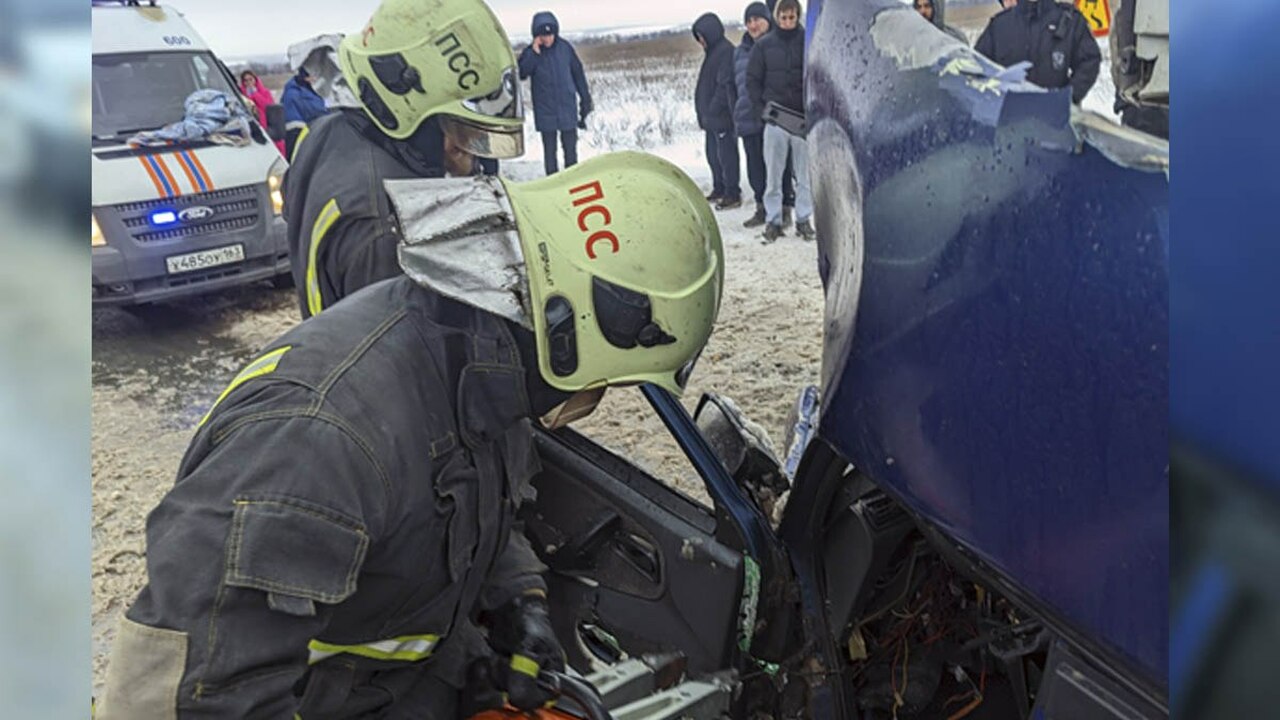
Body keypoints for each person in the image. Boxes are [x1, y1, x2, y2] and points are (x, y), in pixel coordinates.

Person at [94, 149, 724, 719]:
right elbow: (169, 701)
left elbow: (466, 506)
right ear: (568, 334)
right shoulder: (319, 440)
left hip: (398, 685)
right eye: (606, 383)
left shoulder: (476, 364)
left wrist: (518, 600)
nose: (596, 401)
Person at [281, 0, 526, 321]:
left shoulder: (328, 130)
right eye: (460, 130)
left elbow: (291, 202)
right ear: (405, 107)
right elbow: (405, 358)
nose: (467, 149)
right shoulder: (386, 228)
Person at [747, 0, 814, 241]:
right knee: (773, 177)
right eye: (783, 17)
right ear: (777, 17)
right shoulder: (763, 46)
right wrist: (761, 111)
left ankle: (804, 220)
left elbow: (817, 75)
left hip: (801, 121)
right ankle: (773, 221)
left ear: (797, 16)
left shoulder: (809, 42)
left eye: (792, 17)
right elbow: (752, 81)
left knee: (805, 177)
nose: (787, 22)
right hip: (775, 121)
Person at [734, 2, 795, 227]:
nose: (753, 25)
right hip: (747, 117)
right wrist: (736, 112)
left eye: (757, 19)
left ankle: (785, 209)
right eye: (749, 21)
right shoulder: (739, 52)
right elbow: (735, 85)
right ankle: (761, 208)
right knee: (756, 169)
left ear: (768, 20)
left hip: (774, 117)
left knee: (779, 166)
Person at [975, 0, 1101, 105]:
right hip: (1008, 122)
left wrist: (1067, 97)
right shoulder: (1000, 25)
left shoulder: (1069, 21)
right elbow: (977, 67)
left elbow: (1089, 60)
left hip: (1054, 123)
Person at [518, 12, 592, 176]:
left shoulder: (565, 48)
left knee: (570, 151)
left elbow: (578, 74)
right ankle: (553, 183)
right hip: (546, 110)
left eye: (550, 34)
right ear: (537, 36)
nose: (547, 39)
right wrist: (534, 53)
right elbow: (522, 73)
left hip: (567, 107)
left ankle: (572, 181)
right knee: (550, 152)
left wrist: (585, 98)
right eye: (543, 35)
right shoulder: (531, 53)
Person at [693, 13, 742, 209]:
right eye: (698, 37)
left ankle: (732, 192)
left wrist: (712, 109)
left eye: (702, 36)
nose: (700, 41)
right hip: (711, 119)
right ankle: (719, 187)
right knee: (713, 155)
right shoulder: (712, 53)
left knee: (726, 156)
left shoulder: (726, 52)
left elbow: (724, 86)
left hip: (722, 117)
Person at [280, 66, 329, 160]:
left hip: (313, 132)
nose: (315, 79)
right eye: (313, 76)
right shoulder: (296, 93)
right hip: (300, 134)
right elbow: (314, 111)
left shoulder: (306, 89)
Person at [239, 69, 286, 156]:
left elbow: (267, 106)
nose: (249, 82)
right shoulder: (241, 95)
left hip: (266, 125)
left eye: (250, 79)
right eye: (246, 80)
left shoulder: (265, 92)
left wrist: (255, 94)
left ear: (255, 79)